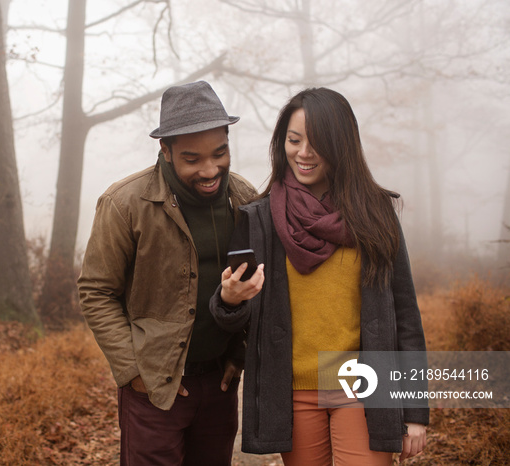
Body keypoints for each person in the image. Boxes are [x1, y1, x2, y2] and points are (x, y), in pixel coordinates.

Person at [210, 87, 429, 465]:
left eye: (318, 143)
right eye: (294, 140)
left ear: (342, 146)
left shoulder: (375, 215)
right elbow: (235, 317)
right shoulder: (259, 218)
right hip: (292, 393)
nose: (304, 153)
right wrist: (229, 299)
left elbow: (406, 318)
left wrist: (414, 411)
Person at [78, 81, 256, 465]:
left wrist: (238, 354)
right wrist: (132, 372)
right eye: (192, 159)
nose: (210, 170)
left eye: (220, 153)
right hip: (153, 391)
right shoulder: (124, 203)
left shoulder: (245, 200)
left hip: (219, 387)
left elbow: (260, 287)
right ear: (166, 150)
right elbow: (96, 291)